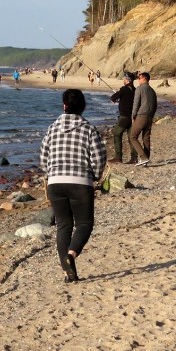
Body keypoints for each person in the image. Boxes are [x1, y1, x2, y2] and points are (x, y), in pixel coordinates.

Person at [40, 89, 106, 283]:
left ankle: (68, 272)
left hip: (55, 183)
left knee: (63, 226)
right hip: (80, 182)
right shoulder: (88, 129)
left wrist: (50, 173)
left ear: (64, 106)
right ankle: (71, 255)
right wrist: (94, 175)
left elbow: (43, 156)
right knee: (84, 223)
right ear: (82, 107)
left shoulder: (52, 128)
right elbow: (99, 157)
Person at [128, 72, 157, 166]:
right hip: (149, 116)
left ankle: (143, 157)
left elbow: (136, 103)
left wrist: (133, 116)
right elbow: (155, 105)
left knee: (132, 136)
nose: (138, 80)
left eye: (139, 78)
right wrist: (151, 115)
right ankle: (146, 159)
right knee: (146, 138)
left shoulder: (139, 89)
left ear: (144, 78)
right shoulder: (152, 91)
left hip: (141, 116)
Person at [109, 72, 137, 163]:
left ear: (128, 80)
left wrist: (116, 97)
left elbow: (113, 97)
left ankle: (118, 157)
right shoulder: (135, 90)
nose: (123, 80)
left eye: (124, 78)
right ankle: (134, 158)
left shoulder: (124, 89)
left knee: (117, 133)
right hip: (133, 117)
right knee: (131, 137)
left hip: (124, 116)